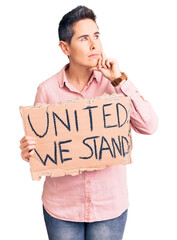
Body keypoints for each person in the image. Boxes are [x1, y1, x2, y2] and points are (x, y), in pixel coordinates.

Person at [19, 5, 158, 240]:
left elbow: (149, 125)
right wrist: (28, 151)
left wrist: (119, 81)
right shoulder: (47, 90)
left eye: (96, 36)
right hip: (62, 209)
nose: (94, 45)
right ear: (65, 47)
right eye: (84, 38)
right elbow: (42, 149)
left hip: (109, 208)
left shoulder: (114, 85)